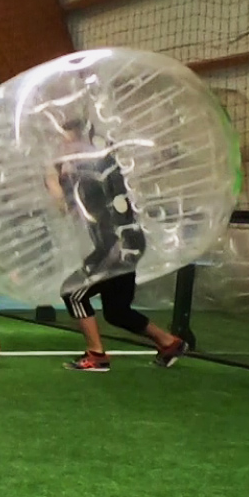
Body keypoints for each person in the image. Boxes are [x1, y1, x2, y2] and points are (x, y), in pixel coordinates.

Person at [47, 118, 188, 372]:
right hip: (125, 245)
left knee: (72, 293)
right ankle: (170, 343)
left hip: (118, 248)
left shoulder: (87, 173)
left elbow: (64, 206)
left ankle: (96, 355)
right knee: (117, 311)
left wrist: (53, 176)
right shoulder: (103, 165)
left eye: (67, 141)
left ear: (82, 142)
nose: (62, 148)